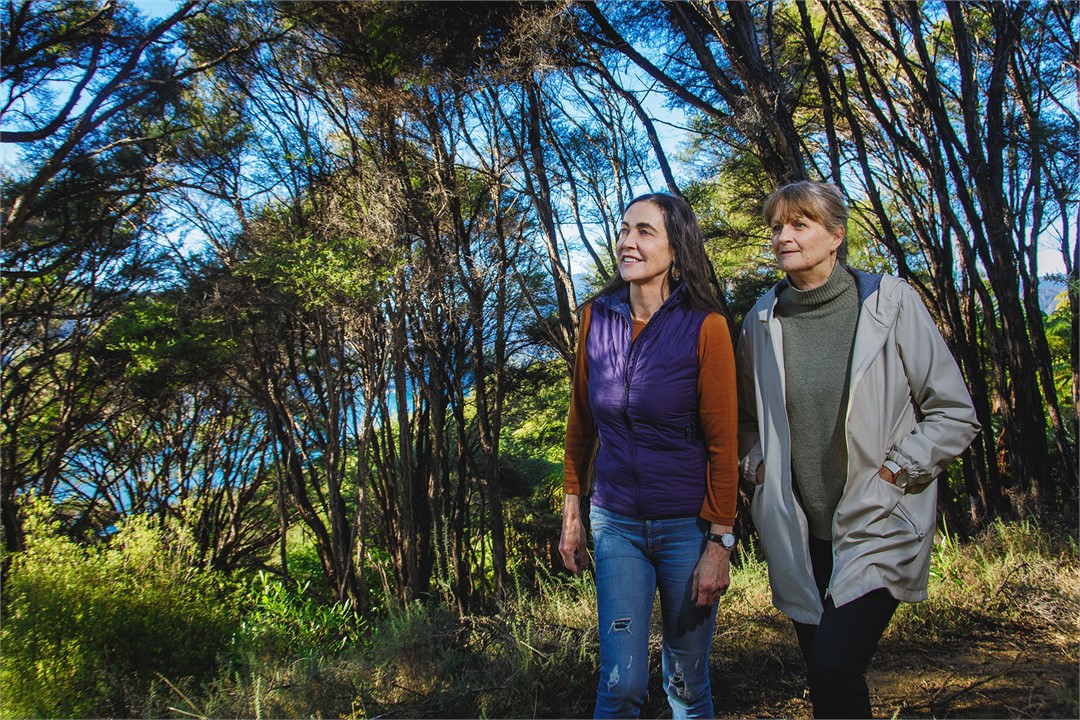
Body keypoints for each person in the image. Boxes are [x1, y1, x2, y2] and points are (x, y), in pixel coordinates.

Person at [736, 180, 981, 719]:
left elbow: (954, 411)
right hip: (799, 531)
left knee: (833, 665)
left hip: (879, 520)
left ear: (836, 235)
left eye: (800, 224)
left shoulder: (890, 303)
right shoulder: (759, 321)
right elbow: (746, 421)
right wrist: (756, 467)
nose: (784, 236)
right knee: (829, 681)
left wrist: (898, 471)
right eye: (777, 227)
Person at [559, 192, 739, 719]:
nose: (627, 241)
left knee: (686, 684)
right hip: (615, 525)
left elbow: (724, 444)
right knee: (620, 685)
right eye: (623, 229)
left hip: (686, 527)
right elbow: (580, 425)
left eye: (644, 231)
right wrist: (573, 514)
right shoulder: (596, 318)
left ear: (677, 249)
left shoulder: (706, 327)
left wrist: (720, 542)